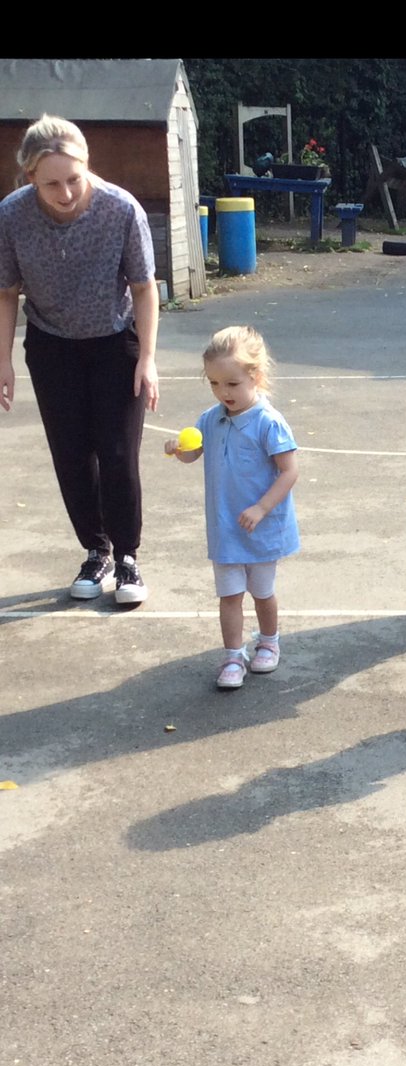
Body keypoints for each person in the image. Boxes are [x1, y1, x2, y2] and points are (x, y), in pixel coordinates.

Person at [0, 114, 159, 604]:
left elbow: (144, 286)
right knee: (71, 455)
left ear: (88, 166)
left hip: (117, 341)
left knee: (116, 454)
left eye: (74, 178)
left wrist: (147, 358)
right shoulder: (12, 215)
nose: (66, 192)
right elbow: (6, 292)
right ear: (30, 178)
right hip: (52, 346)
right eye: (51, 183)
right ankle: (96, 550)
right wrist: (2, 361)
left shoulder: (120, 209)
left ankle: (128, 558)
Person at [165, 325, 300, 690]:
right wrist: (180, 450)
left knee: (262, 592)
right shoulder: (211, 418)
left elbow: (289, 472)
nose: (223, 392)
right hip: (225, 526)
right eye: (214, 384)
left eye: (231, 384)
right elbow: (194, 454)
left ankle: (269, 642)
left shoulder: (268, 422)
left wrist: (261, 507)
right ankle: (232, 655)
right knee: (228, 595)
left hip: (260, 527)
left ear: (255, 377)